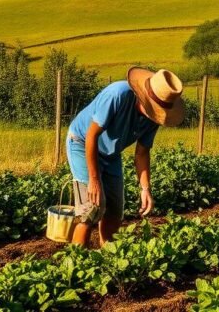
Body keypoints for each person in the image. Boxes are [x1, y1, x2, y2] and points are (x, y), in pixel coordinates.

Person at [66, 67, 185, 248]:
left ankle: (108, 256)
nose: (156, 113)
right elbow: (92, 136)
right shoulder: (117, 95)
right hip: (82, 144)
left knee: (114, 211)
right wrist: (94, 179)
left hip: (111, 153)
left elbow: (142, 152)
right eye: (154, 108)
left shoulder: (155, 118)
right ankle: (75, 262)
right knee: (91, 208)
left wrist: (145, 188)